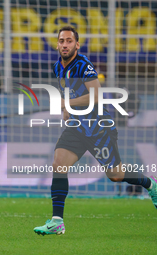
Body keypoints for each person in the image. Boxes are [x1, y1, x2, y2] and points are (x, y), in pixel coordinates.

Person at [33, 26, 157, 236]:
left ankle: (150, 184)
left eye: (69, 41)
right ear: (57, 44)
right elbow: (69, 91)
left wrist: (68, 103)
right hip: (77, 128)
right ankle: (57, 221)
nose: (65, 44)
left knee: (115, 175)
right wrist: (67, 110)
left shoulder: (83, 65)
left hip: (98, 128)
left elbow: (96, 95)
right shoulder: (57, 67)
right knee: (59, 164)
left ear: (77, 45)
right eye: (62, 41)